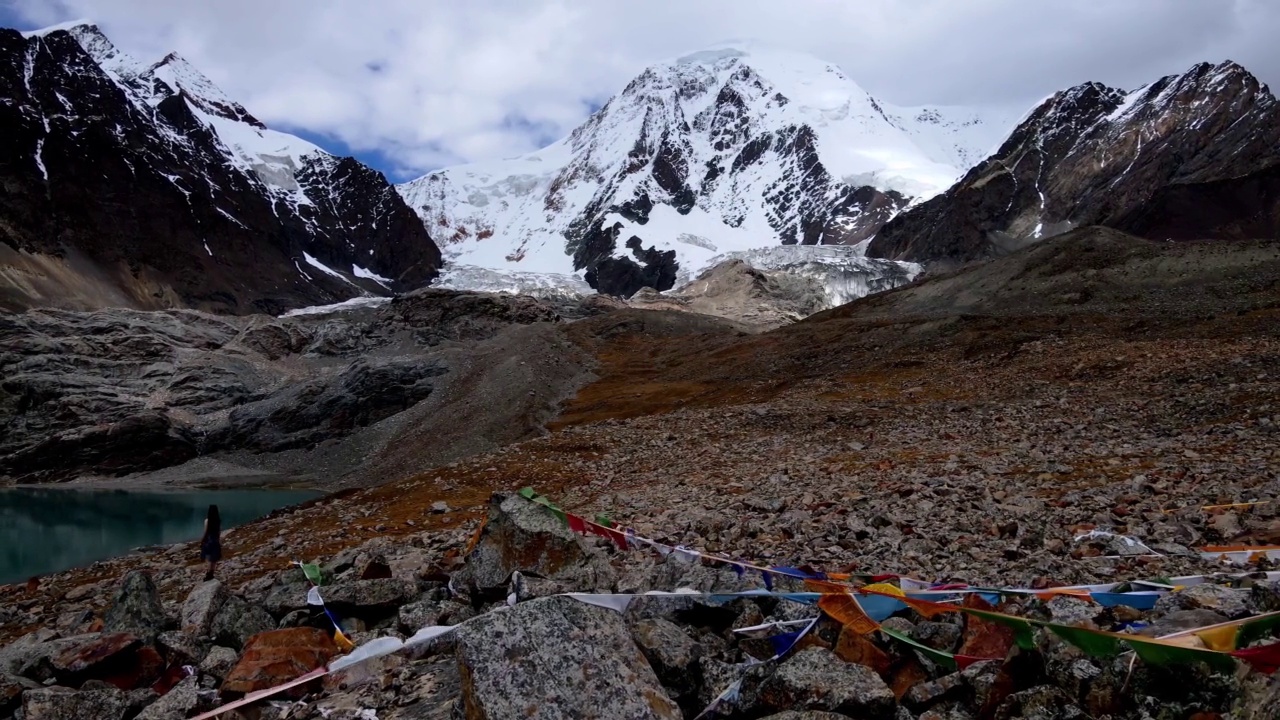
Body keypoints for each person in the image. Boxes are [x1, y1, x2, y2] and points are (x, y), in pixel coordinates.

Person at [201, 504, 222, 581]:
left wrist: (203, 540)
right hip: (215, 540)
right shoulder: (218, 521)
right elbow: (219, 532)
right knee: (214, 558)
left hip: (209, 540)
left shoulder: (207, 520)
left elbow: (206, 532)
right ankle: (211, 573)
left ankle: (208, 574)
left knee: (208, 557)